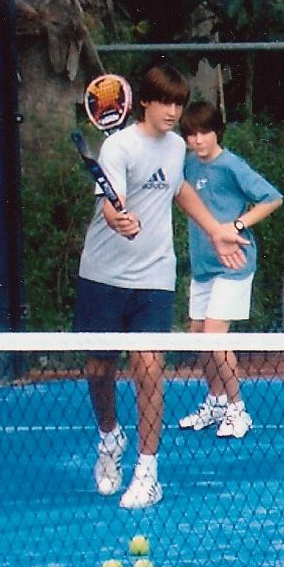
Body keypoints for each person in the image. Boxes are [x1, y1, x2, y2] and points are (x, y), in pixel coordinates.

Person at [79, 64, 246, 509]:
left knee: (150, 368)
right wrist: (118, 220)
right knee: (99, 371)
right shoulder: (118, 147)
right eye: (166, 102)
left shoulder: (176, 149)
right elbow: (109, 207)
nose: (174, 111)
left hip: (154, 277)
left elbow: (179, 191)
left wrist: (215, 229)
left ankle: (148, 472)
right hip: (102, 275)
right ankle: (110, 439)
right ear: (145, 103)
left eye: (180, 103)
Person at [174, 101, 283, 441]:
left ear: (216, 131)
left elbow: (272, 197)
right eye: (191, 134)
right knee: (199, 338)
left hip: (234, 265)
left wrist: (236, 225)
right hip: (203, 266)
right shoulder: (187, 166)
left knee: (215, 339)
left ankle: (238, 409)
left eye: (204, 132)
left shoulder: (232, 165)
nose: (198, 140)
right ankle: (217, 401)